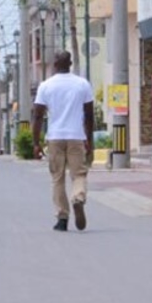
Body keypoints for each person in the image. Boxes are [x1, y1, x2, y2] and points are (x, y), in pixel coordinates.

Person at [32, 50, 94, 232]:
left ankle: (62, 218)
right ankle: (78, 198)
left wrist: (35, 143)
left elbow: (37, 116)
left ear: (54, 64)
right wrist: (88, 138)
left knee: (57, 178)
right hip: (76, 136)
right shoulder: (82, 84)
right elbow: (89, 115)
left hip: (55, 136)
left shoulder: (46, 86)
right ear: (71, 63)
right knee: (79, 174)